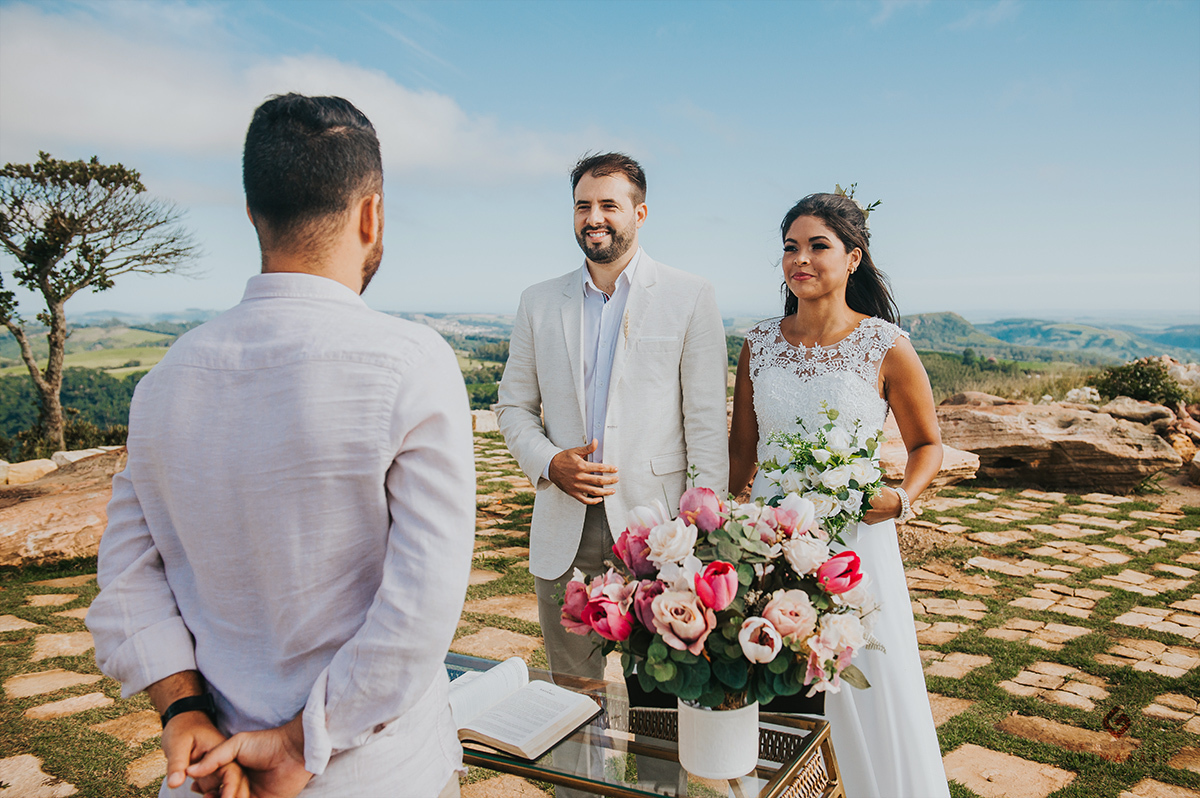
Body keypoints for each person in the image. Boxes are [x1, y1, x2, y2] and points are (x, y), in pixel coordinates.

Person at [86, 93, 475, 798]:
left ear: (251, 214)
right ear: (372, 215)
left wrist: (183, 706)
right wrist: (301, 741)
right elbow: (421, 607)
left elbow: (126, 577)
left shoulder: (165, 380)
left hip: (211, 771)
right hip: (375, 777)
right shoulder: (411, 362)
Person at [728, 192, 950, 798]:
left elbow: (927, 443)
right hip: (769, 542)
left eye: (817, 246)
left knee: (864, 681)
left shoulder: (885, 345)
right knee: (777, 680)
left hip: (854, 544)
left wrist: (900, 499)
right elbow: (741, 453)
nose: (800, 259)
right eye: (789, 247)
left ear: (853, 258)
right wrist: (719, 530)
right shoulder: (760, 343)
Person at [496, 152, 729, 682]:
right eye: (582, 206)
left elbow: (707, 423)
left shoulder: (690, 295)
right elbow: (513, 406)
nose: (593, 217)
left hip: (661, 529)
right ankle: (580, 769)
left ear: (640, 214)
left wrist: (704, 531)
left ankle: (656, 772)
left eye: (608, 205)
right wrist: (550, 461)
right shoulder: (537, 302)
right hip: (564, 525)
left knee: (661, 695)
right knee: (571, 694)